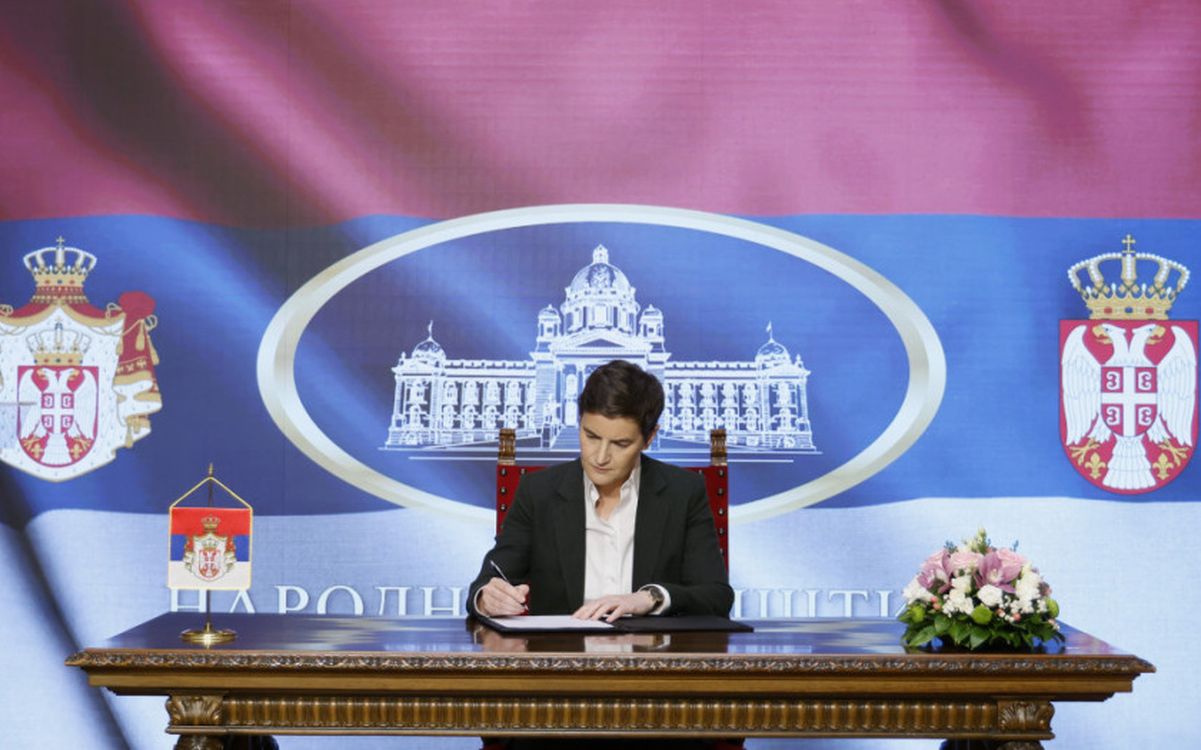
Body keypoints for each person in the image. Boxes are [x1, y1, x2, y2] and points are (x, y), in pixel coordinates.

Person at [469, 359, 733, 621]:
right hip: (559, 647)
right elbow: (486, 584)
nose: (601, 457)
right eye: (591, 436)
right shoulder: (538, 492)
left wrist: (651, 597)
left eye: (620, 444)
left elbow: (717, 596)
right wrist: (487, 599)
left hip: (650, 647)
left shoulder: (683, 493)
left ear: (649, 438)